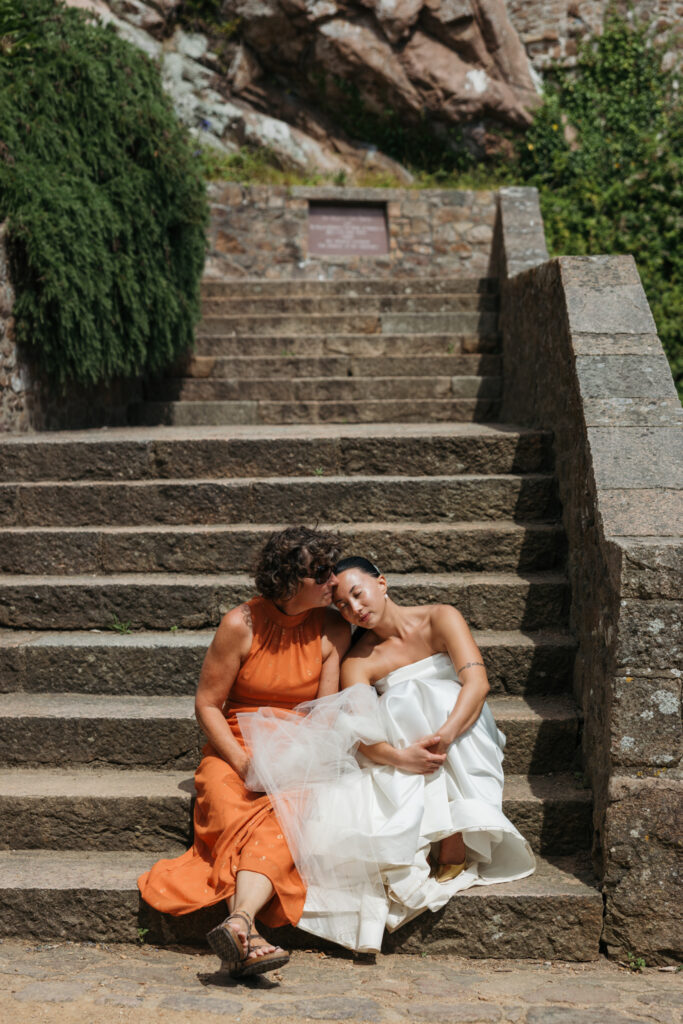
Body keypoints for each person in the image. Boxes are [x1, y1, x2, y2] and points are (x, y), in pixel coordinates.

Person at [242, 556, 535, 954]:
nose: (354, 610)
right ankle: (449, 834)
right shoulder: (359, 661)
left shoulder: (441, 617)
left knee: (429, 694)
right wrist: (401, 759)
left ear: (382, 583)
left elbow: (477, 682)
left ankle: (451, 831)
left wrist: (445, 736)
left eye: (358, 594)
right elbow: (356, 733)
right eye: (342, 606)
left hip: (463, 732)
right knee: (399, 703)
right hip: (409, 746)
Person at [137, 527, 350, 977]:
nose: (335, 580)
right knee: (234, 810)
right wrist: (243, 762)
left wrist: (297, 760)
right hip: (234, 746)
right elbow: (208, 704)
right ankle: (246, 934)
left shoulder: (332, 627)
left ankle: (240, 925)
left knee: (283, 815)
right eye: (323, 573)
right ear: (292, 581)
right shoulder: (240, 625)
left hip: (300, 747)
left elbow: (325, 713)